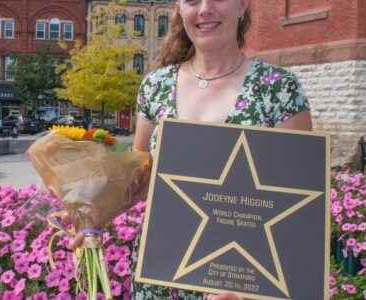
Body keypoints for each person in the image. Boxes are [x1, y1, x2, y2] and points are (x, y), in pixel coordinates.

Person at [71, 0, 312, 299]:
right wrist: (96, 218)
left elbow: (301, 205)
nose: (205, 9)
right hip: (160, 273)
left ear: (242, 6)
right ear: (180, 10)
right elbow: (141, 178)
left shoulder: (279, 88)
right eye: (192, 1)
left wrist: (253, 289)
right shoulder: (155, 86)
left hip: (241, 277)